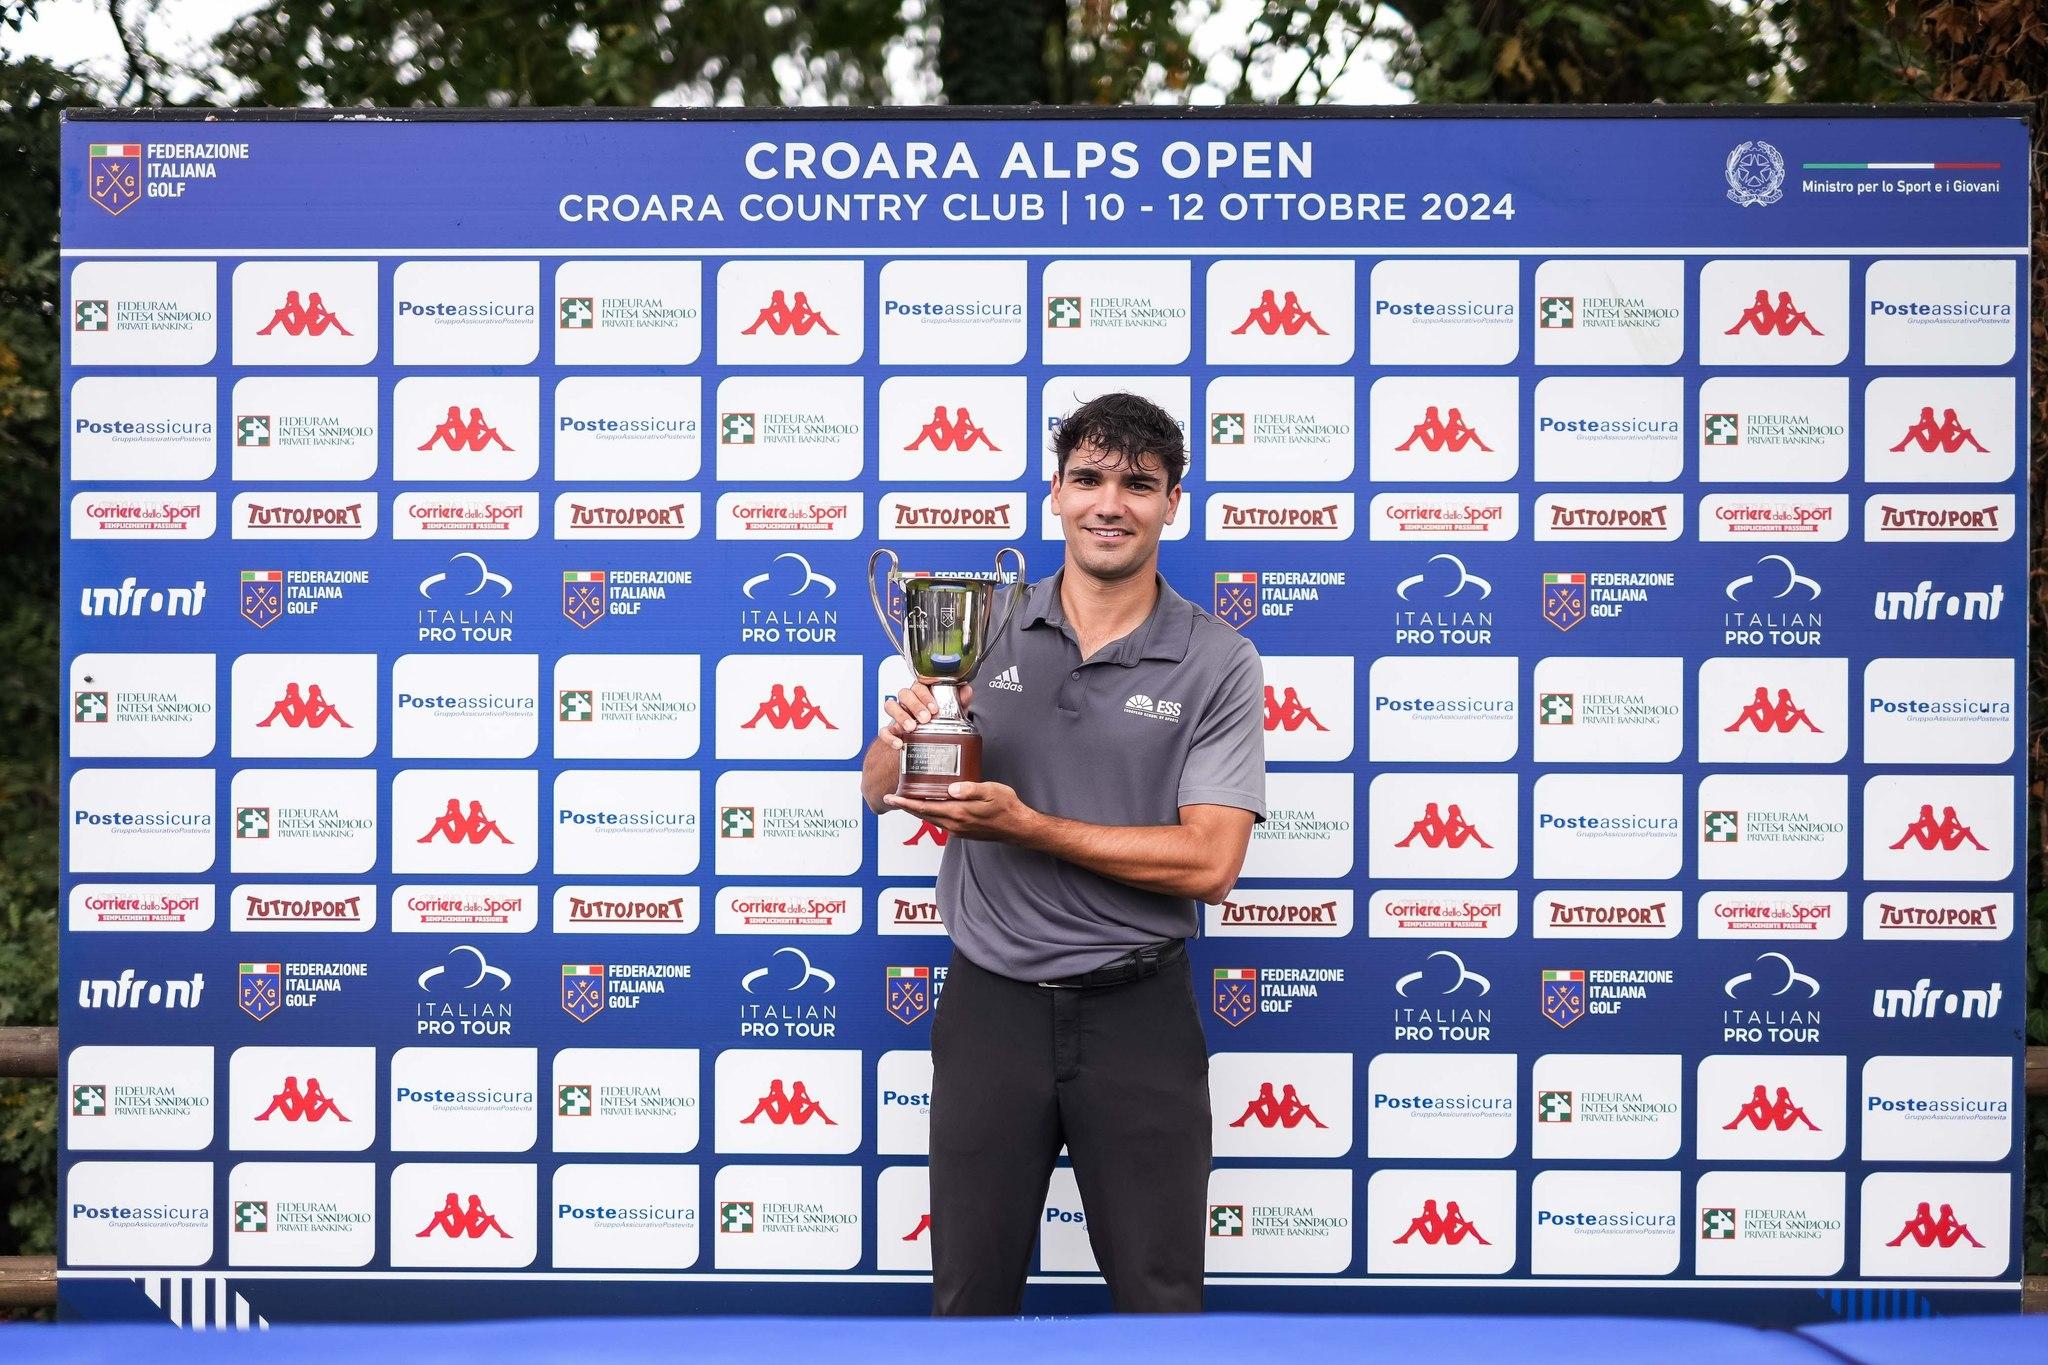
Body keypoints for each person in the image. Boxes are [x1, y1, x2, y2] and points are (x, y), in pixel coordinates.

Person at [861, 392, 1265, 1315]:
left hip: (1139, 1015)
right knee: (969, 1295)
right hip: (989, 1010)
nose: (1109, 502)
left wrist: (1030, 826)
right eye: (1088, 479)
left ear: (1173, 503)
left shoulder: (1217, 658)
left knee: (1162, 1298)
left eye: (1138, 484)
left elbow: (1211, 863)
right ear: (1055, 494)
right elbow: (881, 786)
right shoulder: (981, 622)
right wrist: (907, 730)